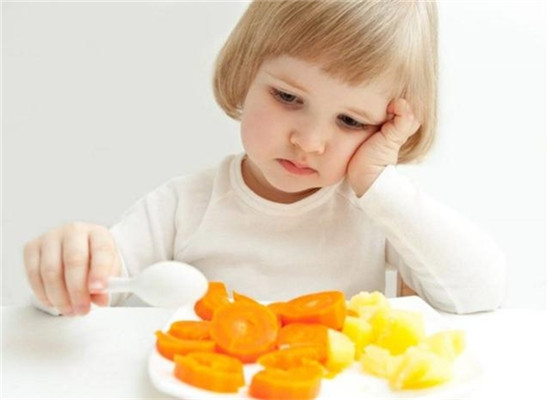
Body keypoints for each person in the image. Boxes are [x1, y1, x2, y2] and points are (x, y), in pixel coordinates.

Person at [23, 0, 507, 317]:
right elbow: (81, 299)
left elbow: (480, 294)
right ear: (246, 73)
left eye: (350, 121)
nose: (310, 141)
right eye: (288, 97)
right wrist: (68, 267)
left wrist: (377, 183)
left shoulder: (373, 213)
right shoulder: (183, 206)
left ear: (387, 126)